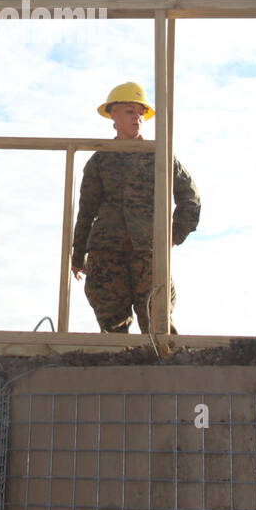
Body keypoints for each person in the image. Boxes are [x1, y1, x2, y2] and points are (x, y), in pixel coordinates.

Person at [71, 82, 200, 334]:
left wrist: (172, 237)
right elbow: (86, 212)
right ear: (113, 115)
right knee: (112, 326)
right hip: (107, 254)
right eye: (130, 111)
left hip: (148, 254)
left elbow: (190, 199)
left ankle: (166, 370)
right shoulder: (100, 160)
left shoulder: (159, 155)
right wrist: (78, 257)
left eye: (140, 112)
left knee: (158, 324)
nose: (137, 117)